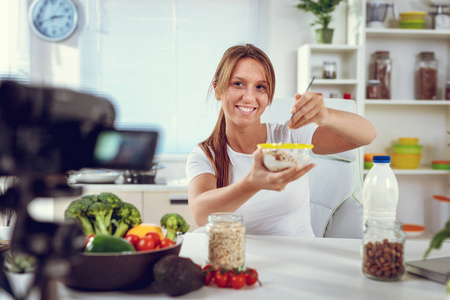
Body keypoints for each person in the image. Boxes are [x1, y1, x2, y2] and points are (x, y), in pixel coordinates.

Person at [186, 44, 376, 236]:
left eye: (260, 87)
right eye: (238, 84)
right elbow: (200, 215)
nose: (249, 97)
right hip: (239, 261)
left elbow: (367, 134)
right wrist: (252, 183)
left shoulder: (291, 136)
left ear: (268, 97)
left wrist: (326, 115)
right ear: (218, 90)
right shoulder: (204, 155)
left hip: (299, 258)